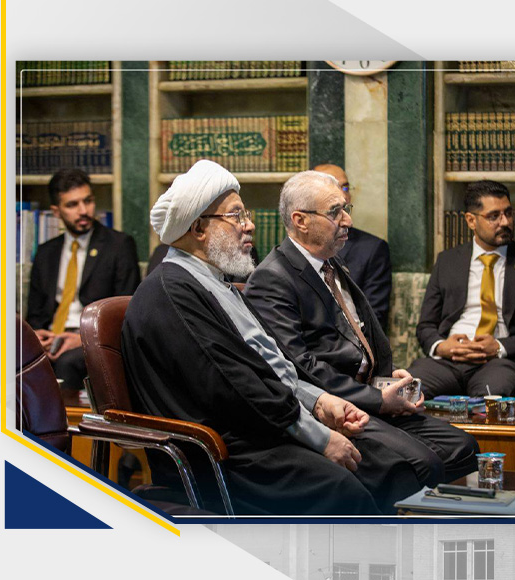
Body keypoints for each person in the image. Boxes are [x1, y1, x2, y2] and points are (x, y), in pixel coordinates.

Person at [121, 160, 421, 515]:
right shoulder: (173, 291)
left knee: (390, 466)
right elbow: (240, 388)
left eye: (245, 215)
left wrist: (319, 401)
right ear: (199, 228)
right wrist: (320, 437)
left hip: (262, 428)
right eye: (236, 216)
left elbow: (271, 366)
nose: (249, 225)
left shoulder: (216, 283)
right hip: (225, 453)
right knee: (349, 486)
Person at [245, 171, 479, 487]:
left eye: (346, 209)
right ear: (301, 221)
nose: (348, 221)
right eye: (334, 212)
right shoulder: (272, 278)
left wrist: (388, 379)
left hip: (367, 394)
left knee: (464, 447)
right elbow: (301, 367)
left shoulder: (331, 263)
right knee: (422, 464)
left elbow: (359, 335)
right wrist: (378, 399)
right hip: (335, 410)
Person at [408, 180, 515, 398]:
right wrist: (441, 346)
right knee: (406, 391)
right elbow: (426, 325)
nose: (505, 222)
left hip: (501, 362)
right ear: (471, 220)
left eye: (508, 213)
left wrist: (498, 346)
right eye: (494, 216)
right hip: (449, 361)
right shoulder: (448, 261)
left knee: (489, 397)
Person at [27, 168, 140, 390]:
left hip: (92, 339)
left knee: (66, 363)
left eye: (87, 201)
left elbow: (126, 312)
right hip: (52, 338)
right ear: (56, 211)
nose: (83, 211)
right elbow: (35, 314)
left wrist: (82, 338)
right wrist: (37, 336)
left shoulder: (119, 246)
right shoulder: (46, 252)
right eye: (72, 205)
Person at [312, 164, 392, 330]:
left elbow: (374, 319)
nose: (343, 195)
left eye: (346, 187)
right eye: (334, 188)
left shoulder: (372, 250)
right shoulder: (294, 250)